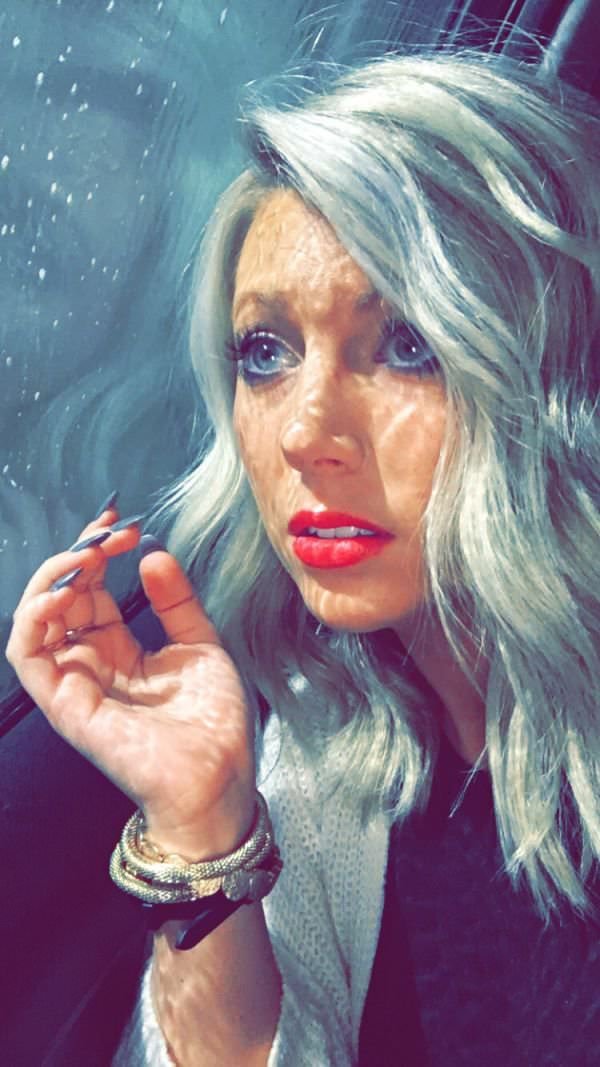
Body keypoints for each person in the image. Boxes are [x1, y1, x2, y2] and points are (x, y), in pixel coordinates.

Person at [6, 46, 600, 1066]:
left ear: (549, 374)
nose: (303, 431)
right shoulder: (325, 754)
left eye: (407, 344)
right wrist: (199, 820)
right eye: (265, 353)